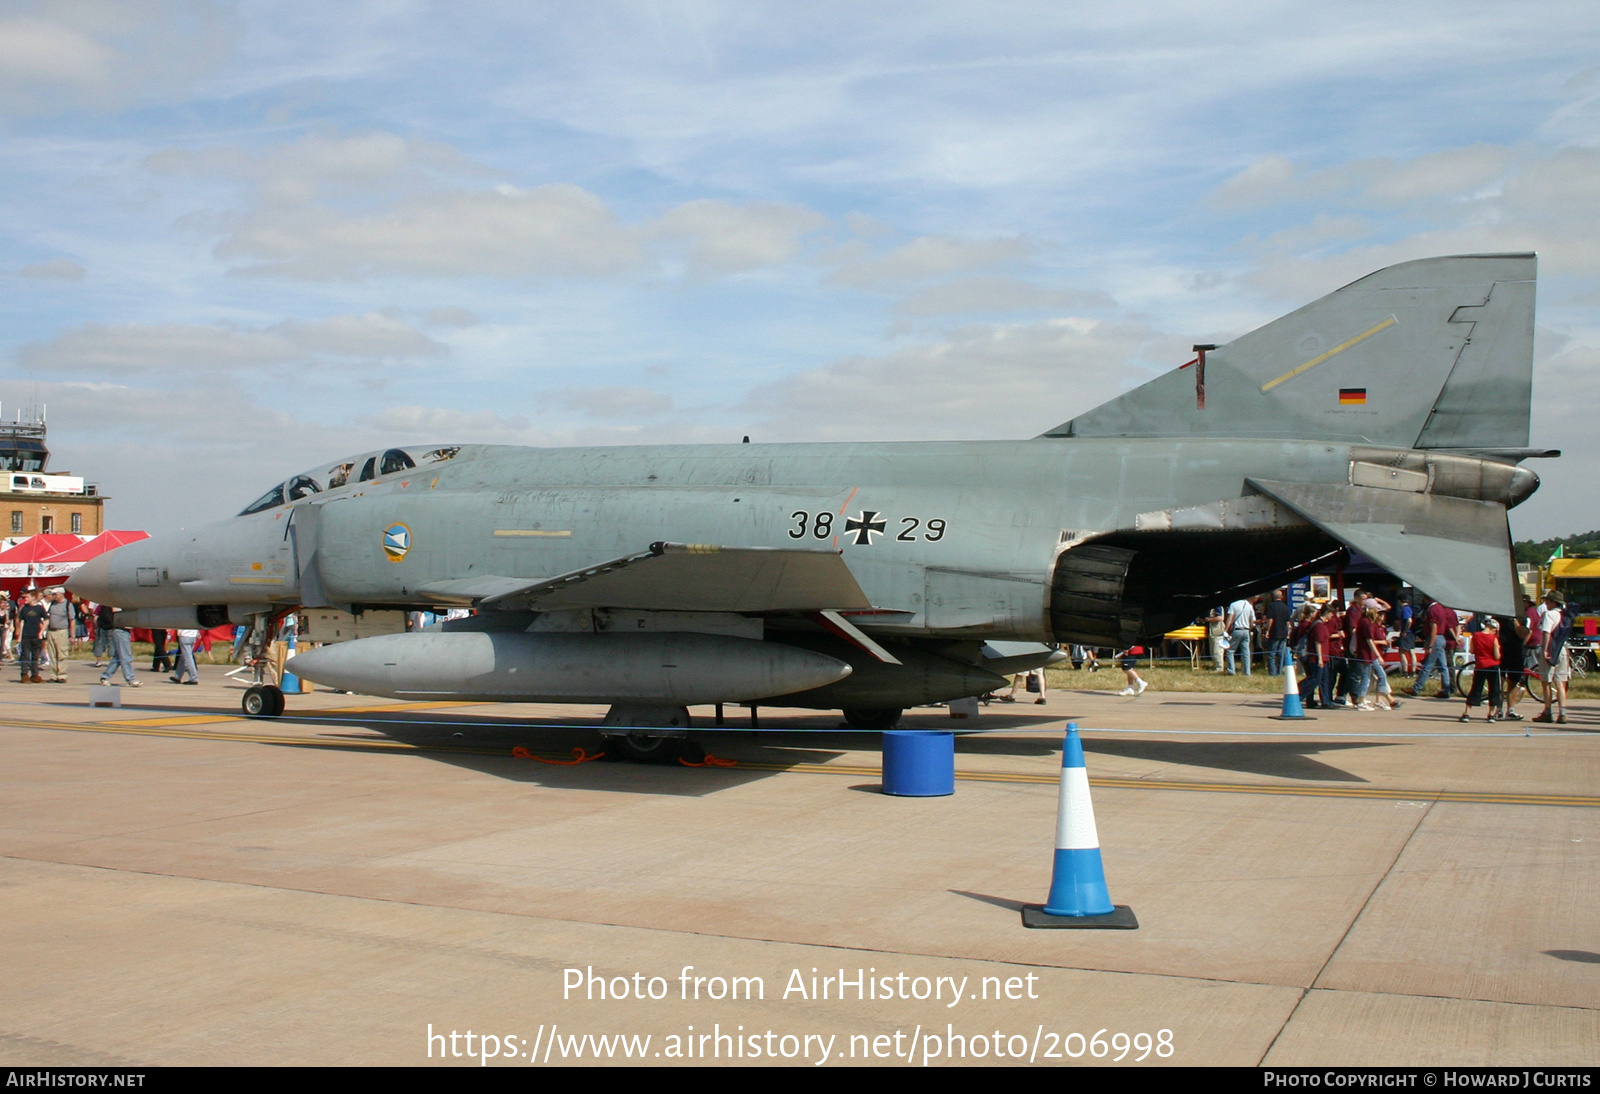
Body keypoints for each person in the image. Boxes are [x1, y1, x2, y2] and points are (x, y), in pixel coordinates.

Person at [1533, 590, 1571, 724]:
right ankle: (1563, 712)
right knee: (1560, 683)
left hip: (1551, 650)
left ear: (1553, 602)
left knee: (1546, 681)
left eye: (1547, 601)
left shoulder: (1549, 615)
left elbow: (1546, 632)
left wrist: (1545, 649)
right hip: (1562, 649)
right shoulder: (1565, 615)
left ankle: (1548, 711)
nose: (1546, 604)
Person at [1411, 597, 1460, 697]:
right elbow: (1449, 625)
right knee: (1443, 667)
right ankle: (1446, 690)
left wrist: (1430, 645)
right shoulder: (1442, 609)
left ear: (1426, 599)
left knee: (1428, 665)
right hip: (1442, 638)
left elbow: (1434, 628)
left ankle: (1417, 688)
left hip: (1436, 638)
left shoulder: (1433, 609)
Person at [1459, 617, 1503, 722]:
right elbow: (1497, 656)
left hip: (1480, 665)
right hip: (1493, 666)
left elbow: (1472, 651)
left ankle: (1467, 713)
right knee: (1494, 689)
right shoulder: (1494, 639)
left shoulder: (1476, 636)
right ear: (1493, 628)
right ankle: (1491, 714)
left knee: (1476, 688)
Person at [98, 608, 138, 687]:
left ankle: (105, 676)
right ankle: (130, 679)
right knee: (125, 656)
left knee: (117, 657)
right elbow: (116, 613)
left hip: (124, 630)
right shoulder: (118, 604)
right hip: (120, 630)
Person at [14, 590, 47, 683]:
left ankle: (35, 675)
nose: (25, 599)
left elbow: (46, 620)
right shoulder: (24, 608)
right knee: (25, 656)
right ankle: (24, 675)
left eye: (27, 597)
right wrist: (19, 635)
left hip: (36, 635)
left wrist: (41, 632)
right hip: (26, 635)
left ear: (33, 597)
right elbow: (21, 622)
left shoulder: (40, 608)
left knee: (35, 656)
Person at [44, 588, 71, 683]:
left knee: (62, 654)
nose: (54, 596)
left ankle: (62, 675)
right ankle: (53, 675)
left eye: (55, 594)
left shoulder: (68, 604)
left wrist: (72, 635)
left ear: (61, 594)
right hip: (51, 631)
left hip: (62, 631)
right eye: (53, 594)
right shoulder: (52, 604)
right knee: (52, 654)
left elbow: (72, 620)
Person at [1263, 589, 1293, 675]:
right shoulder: (1285, 607)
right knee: (1281, 654)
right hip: (1283, 633)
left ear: (1273, 597)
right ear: (1282, 597)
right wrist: (1288, 632)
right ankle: (1279, 671)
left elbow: (1270, 620)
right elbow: (1288, 622)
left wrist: (1267, 631)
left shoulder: (1271, 606)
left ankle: (1272, 672)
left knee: (1271, 654)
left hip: (1274, 632)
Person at [1225, 595, 1255, 675]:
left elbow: (1230, 618)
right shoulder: (1249, 605)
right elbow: (1252, 620)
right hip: (1246, 630)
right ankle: (1247, 672)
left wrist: (1226, 630)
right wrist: (1250, 629)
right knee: (1246, 652)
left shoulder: (1233, 604)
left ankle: (1231, 670)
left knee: (1230, 651)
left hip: (1236, 630)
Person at [1205, 606, 1227, 672]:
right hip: (1212, 632)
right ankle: (1216, 666)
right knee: (1212, 651)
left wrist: (1209, 619)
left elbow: (1220, 618)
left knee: (1217, 651)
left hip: (1218, 632)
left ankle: (1219, 668)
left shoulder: (1218, 607)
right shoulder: (1210, 608)